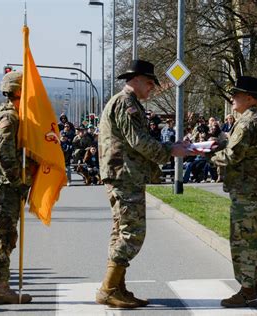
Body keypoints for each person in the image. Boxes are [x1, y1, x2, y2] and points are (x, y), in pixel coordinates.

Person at [96, 59, 189, 308]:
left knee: (121, 232)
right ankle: (108, 288)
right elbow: (138, 140)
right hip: (124, 175)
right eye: (149, 83)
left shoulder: (128, 102)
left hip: (124, 174)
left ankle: (117, 287)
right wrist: (170, 150)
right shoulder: (126, 103)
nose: (152, 88)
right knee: (132, 233)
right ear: (135, 80)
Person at [209, 76, 257, 308]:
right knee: (253, 238)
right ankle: (255, 287)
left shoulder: (247, 122)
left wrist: (206, 153)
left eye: (236, 94)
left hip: (247, 189)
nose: (232, 98)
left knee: (243, 240)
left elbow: (232, 156)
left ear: (249, 98)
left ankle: (247, 291)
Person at [0, 71, 34, 304]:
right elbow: (3, 152)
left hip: (6, 187)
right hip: (5, 189)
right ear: (18, 91)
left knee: (7, 237)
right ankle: (1, 289)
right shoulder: (9, 117)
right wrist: (19, 180)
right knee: (4, 238)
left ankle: (2, 287)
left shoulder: (7, 112)